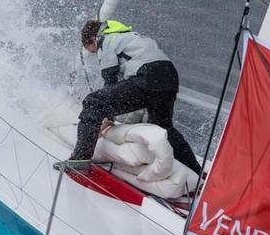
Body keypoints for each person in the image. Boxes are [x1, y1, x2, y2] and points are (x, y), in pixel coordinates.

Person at [69, 20, 202, 175]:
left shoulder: (104, 40)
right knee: (162, 127)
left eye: (91, 50)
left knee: (93, 102)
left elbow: (110, 79)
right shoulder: (130, 37)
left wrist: (107, 118)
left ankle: (79, 160)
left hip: (148, 76)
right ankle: (198, 173)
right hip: (169, 77)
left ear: (92, 40)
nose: (94, 53)